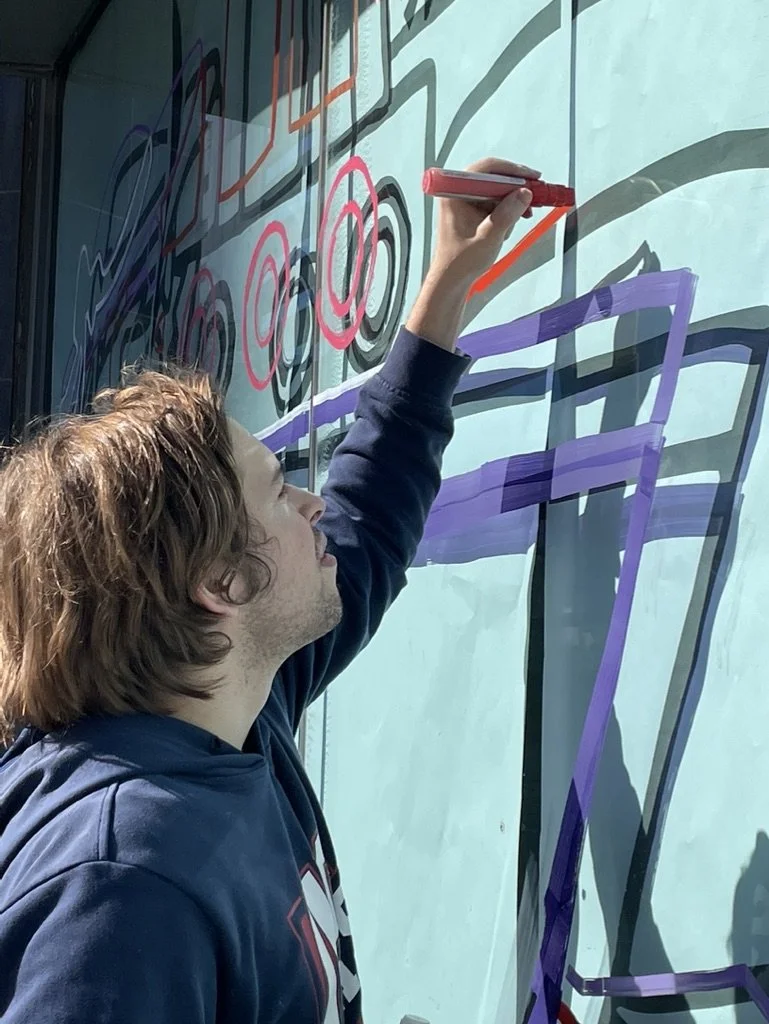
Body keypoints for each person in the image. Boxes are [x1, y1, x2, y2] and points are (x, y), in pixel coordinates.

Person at [0, 158, 537, 1023]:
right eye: (280, 491)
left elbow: (366, 526)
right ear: (219, 583)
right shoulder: (122, 888)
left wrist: (444, 289)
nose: (313, 504)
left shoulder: (234, 708)